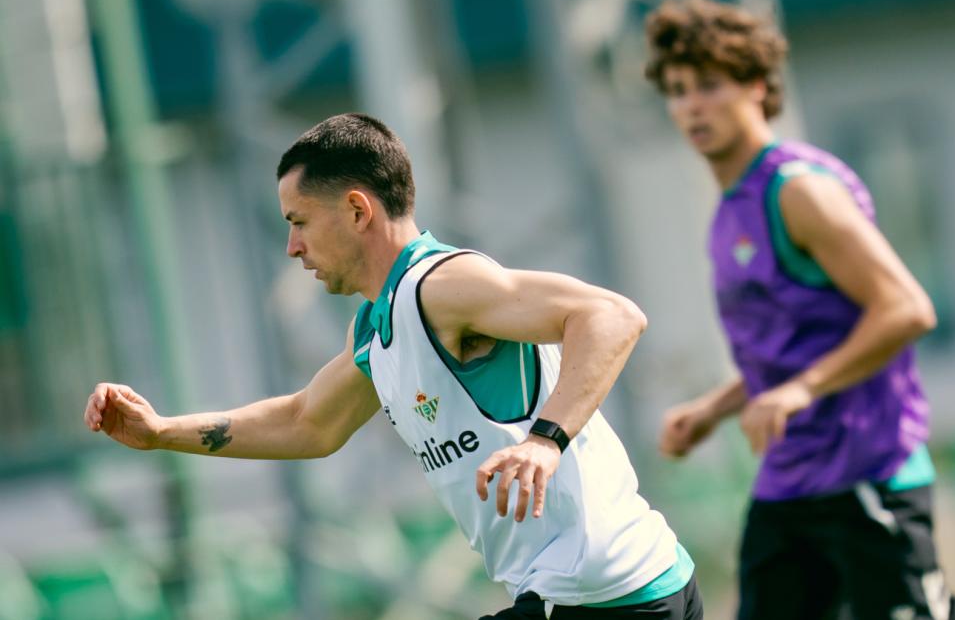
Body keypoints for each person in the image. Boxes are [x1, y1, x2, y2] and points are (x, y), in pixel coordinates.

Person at [83, 113, 703, 620]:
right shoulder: (378, 328)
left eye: (298, 222)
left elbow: (612, 316)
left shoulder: (441, 285)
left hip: (608, 593)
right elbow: (308, 422)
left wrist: (546, 441)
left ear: (357, 210)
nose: (292, 247)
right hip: (590, 593)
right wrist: (161, 432)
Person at [644, 0, 955, 620]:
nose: (691, 106)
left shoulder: (799, 192)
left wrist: (799, 393)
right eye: (678, 90)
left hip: (869, 471)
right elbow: (793, 347)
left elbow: (906, 310)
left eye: (709, 85)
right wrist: (713, 409)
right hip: (790, 483)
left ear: (758, 88)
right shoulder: (730, 207)